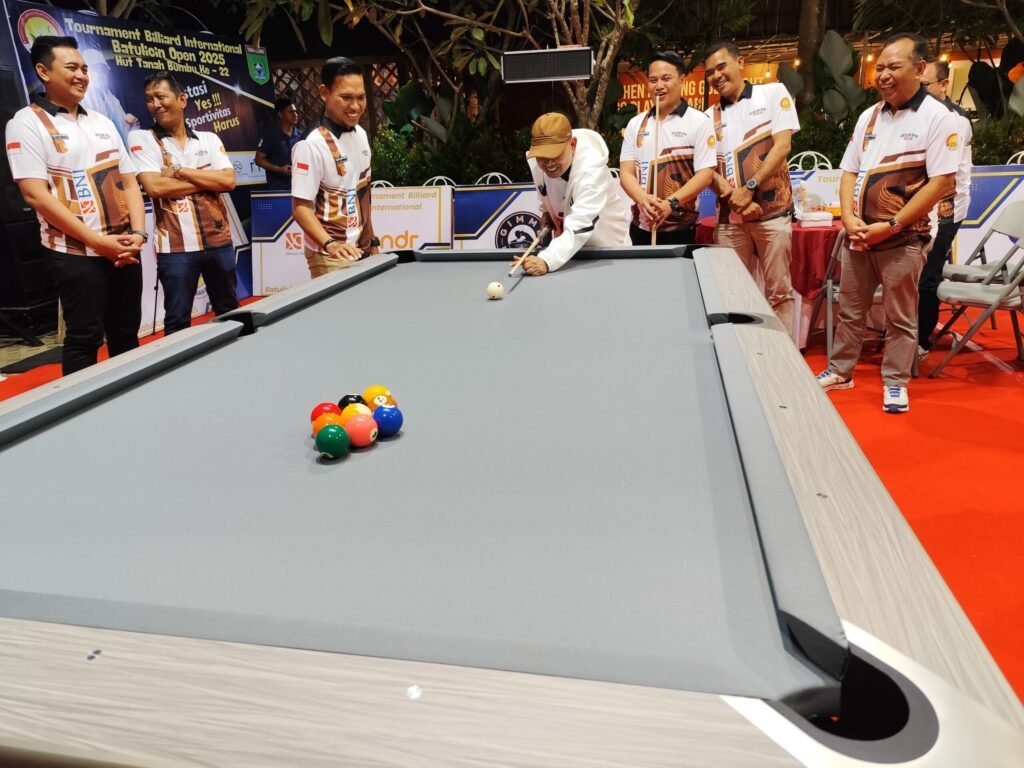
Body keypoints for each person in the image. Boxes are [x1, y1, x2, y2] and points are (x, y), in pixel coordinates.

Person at [816, 33, 958, 414]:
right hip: (860, 237)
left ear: (920, 68)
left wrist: (892, 224)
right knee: (850, 310)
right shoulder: (869, 116)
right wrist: (849, 218)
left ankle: (895, 381)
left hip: (903, 239)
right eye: (879, 68)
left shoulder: (939, 118)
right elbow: (849, 171)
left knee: (900, 316)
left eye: (894, 66)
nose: (883, 75)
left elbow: (941, 183)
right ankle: (840, 371)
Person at [5, 35, 145, 375]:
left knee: (126, 332)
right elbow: (35, 195)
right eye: (72, 68)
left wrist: (139, 234)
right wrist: (98, 242)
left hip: (124, 247)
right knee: (85, 337)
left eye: (84, 68)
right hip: (74, 254)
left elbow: (129, 182)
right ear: (44, 72)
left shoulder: (102, 121)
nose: (82, 75)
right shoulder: (25, 123)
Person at [128, 72, 239, 335]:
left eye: (161, 97)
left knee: (231, 312)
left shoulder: (209, 139)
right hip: (175, 248)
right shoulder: (141, 138)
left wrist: (179, 171)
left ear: (181, 100)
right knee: (177, 321)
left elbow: (229, 181)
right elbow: (155, 187)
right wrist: (207, 179)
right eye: (149, 100)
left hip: (219, 241)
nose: (155, 104)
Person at [704, 41, 800, 335]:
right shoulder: (707, 117)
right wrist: (738, 200)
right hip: (729, 220)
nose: (716, 76)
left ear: (740, 63)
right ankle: (743, 353)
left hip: (773, 215)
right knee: (733, 294)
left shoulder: (773, 93)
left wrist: (750, 188)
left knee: (779, 292)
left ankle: (782, 355)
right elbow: (706, 169)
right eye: (710, 72)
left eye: (721, 67)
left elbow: (782, 146)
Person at [291, 57, 378, 278]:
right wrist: (330, 244)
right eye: (346, 98)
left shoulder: (361, 134)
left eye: (361, 98)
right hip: (329, 255)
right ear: (324, 93)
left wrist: (373, 242)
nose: (355, 106)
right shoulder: (310, 145)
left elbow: (363, 195)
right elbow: (300, 208)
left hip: (362, 249)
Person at [619, 51, 716, 246]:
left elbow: (705, 174)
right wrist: (642, 198)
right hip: (641, 227)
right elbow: (626, 173)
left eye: (666, 78)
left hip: (681, 228)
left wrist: (670, 203)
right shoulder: (635, 124)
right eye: (653, 80)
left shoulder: (700, 121)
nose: (659, 86)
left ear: (682, 80)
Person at [518, 113, 630, 275]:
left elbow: (581, 224)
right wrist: (547, 211)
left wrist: (547, 260)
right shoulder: (537, 163)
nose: (549, 163)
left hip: (610, 254)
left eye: (554, 154)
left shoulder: (592, 170)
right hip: (568, 255)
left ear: (572, 144)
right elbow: (545, 192)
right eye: (542, 155)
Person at [918, 58, 972, 362]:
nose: (921, 90)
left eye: (925, 85)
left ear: (944, 85)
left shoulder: (954, 119)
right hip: (920, 206)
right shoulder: (918, 113)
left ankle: (921, 340)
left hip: (947, 208)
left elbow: (945, 175)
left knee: (929, 272)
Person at [255, 97, 302, 191]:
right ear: (280, 115)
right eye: (291, 112)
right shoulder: (270, 135)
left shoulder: (301, 136)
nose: (295, 115)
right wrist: (279, 169)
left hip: (299, 187)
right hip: (277, 189)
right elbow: (259, 160)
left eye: (295, 111)